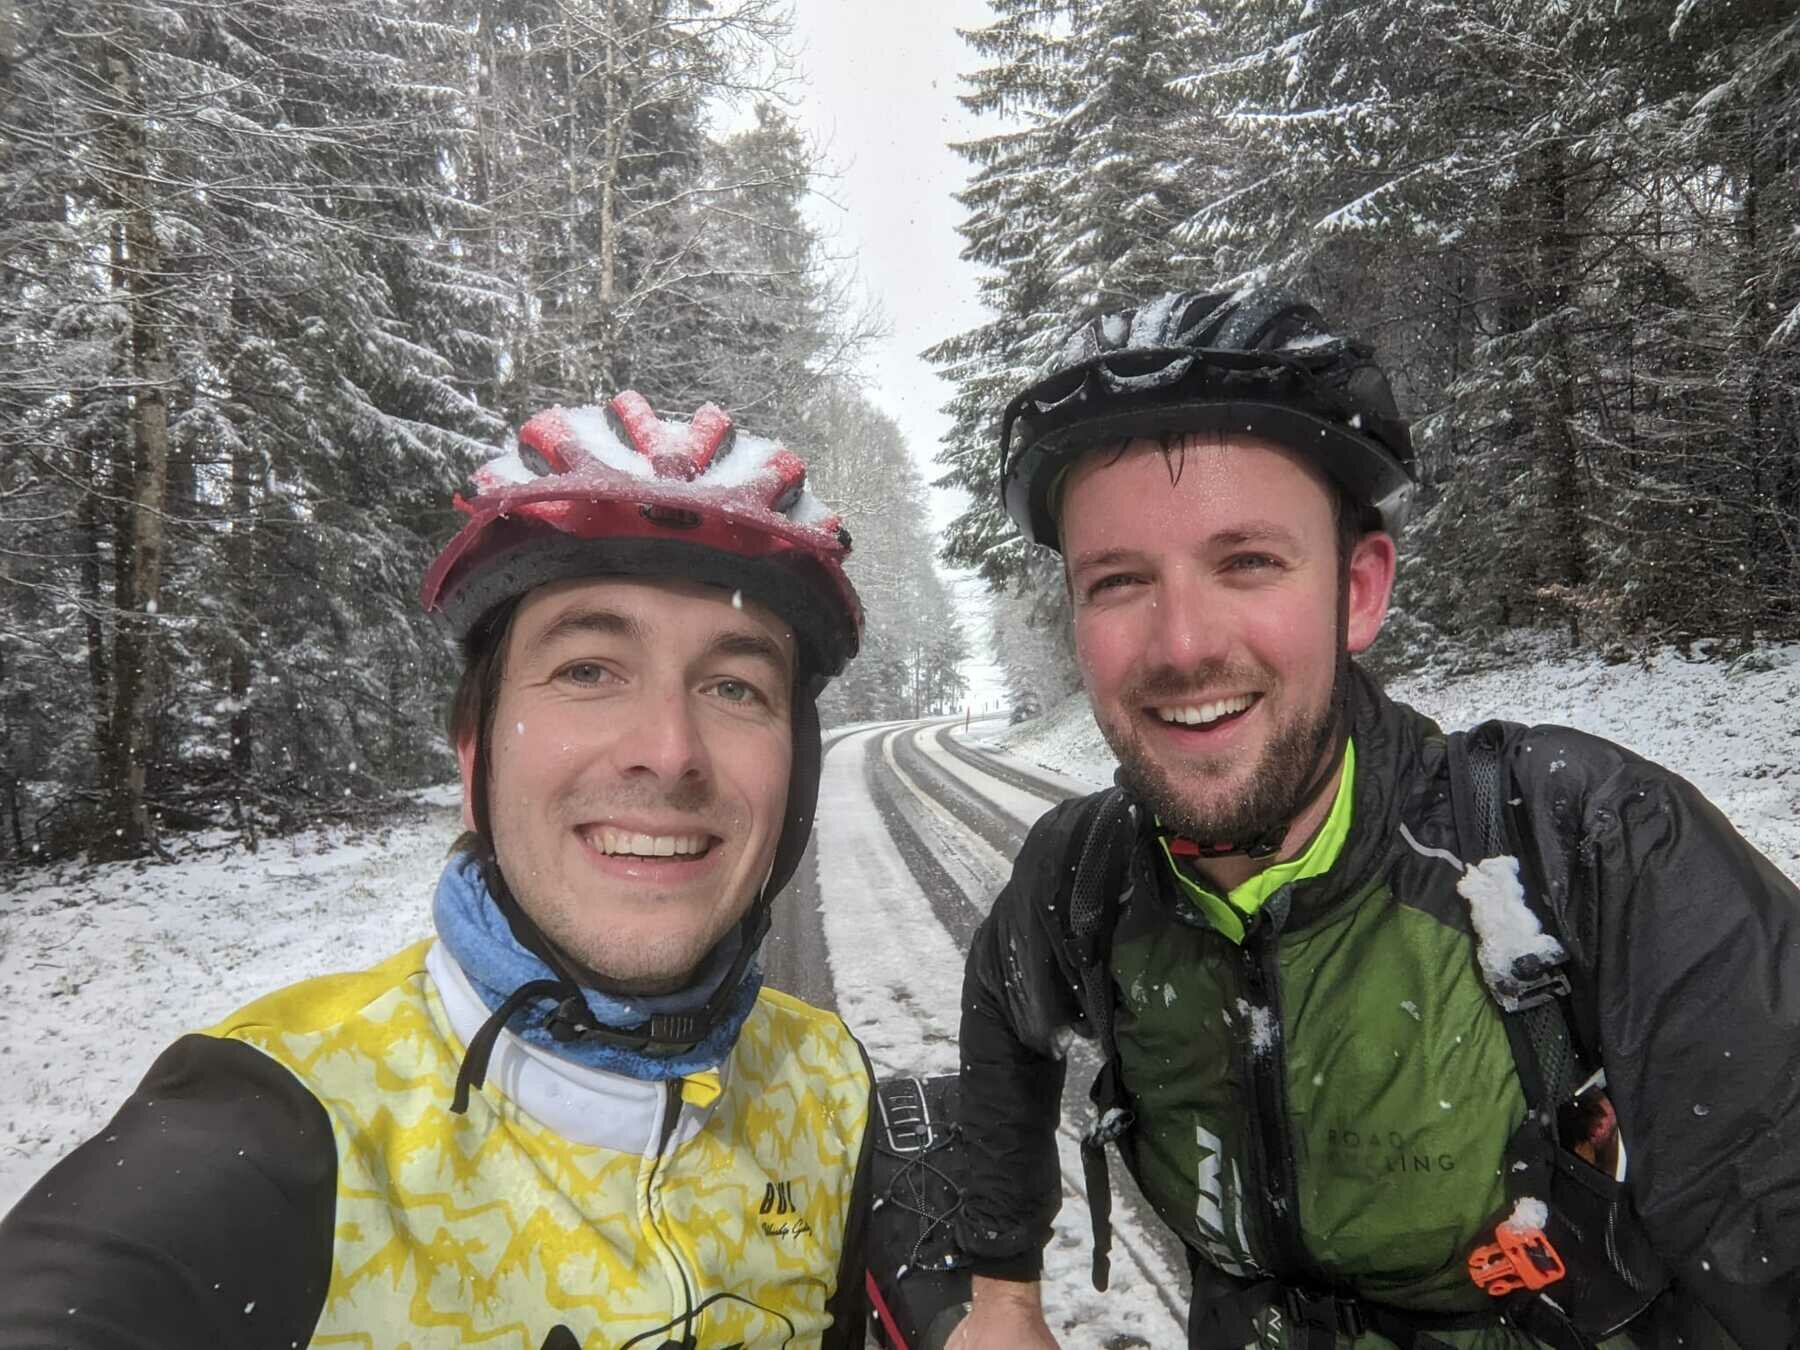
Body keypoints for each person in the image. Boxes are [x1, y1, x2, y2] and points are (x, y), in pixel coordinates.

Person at [946, 290, 1800, 1350]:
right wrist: (1003, 1287)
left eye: (1247, 562)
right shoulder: (1085, 874)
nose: (1182, 645)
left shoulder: (1584, 842)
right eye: (1118, 581)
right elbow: (1002, 1004)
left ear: (1357, 591)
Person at [0, 393, 876, 1349]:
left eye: (735, 686)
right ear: (474, 760)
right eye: (587, 669)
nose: (668, 754)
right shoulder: (285, 1121)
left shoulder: (827, 1086)